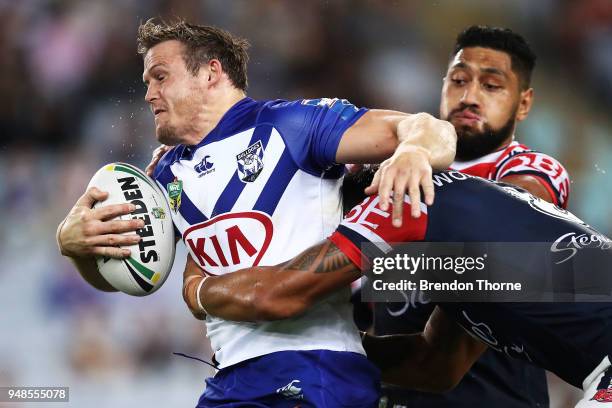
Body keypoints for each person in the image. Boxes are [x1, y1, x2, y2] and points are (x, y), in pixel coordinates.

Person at [56, 19, 456, 407]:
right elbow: (131, 277)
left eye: (160, 77)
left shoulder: (295, 124)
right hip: (231, 379)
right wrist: (75, 247)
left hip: (318, 366)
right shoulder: (164, 173)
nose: (148, 94)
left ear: (211, 73)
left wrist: (414, 152)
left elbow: (431, 129)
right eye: (146, 83)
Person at [184, 170, 612, 408]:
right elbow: (436, 366)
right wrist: (323, 349)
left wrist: (195, 286)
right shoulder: (460, 248)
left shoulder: (398, 203)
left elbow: (277, 293)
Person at [371, 25, 571, 407]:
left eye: (492, 86)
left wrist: (369, 257)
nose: (470, 96)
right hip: (395, 391)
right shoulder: (394, 165)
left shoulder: (531, 170)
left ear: (524, 103)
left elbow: (500, 233)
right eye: (459, 80)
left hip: (493, 396)